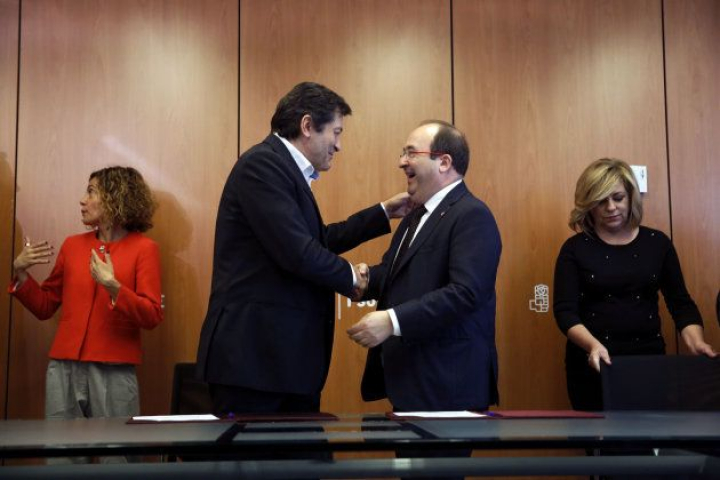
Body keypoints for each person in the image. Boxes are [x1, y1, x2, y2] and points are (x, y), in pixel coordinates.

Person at [196, 82, 410, 417]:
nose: (338, 145)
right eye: (336, 132)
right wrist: (354, 278)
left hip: (280, 362)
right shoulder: (262, 166)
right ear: (307, 125)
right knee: (260, 452)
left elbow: (314, 240)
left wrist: (383, 212)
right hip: (255, 361)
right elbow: (298, 252)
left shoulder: (281, 168)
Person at [9, 166, 163, 462]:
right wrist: (21, 273)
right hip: (63, 368)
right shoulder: (72, 246)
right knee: (60, 458)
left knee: (118, 459)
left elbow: (152, 315)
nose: (82, 200)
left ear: (115, 197)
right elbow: (45, 306)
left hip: (114, 369)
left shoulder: (144, 249)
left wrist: (113, 286)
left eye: (91, 192)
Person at [348, 119, 502, 413]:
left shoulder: (472, 215)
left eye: (411, 153)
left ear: (444, 162)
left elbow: (466, 293)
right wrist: (363, 279)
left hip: (449, 384)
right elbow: (397, 274)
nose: (401, 162)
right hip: (412, 381)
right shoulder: (414, 216)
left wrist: (392, 321)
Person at [553, 158, 715, 411]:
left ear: (631, 197)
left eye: (618, 198)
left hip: (647, 362)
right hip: (592, 363)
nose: (611, 207)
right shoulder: (574, 249)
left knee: (648, 434)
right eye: (601, 200)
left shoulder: (658, 243)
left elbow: (681, 303)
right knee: (597, 435)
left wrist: (696, 342)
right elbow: (565, 312)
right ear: (589, 205)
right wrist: (593, 345)